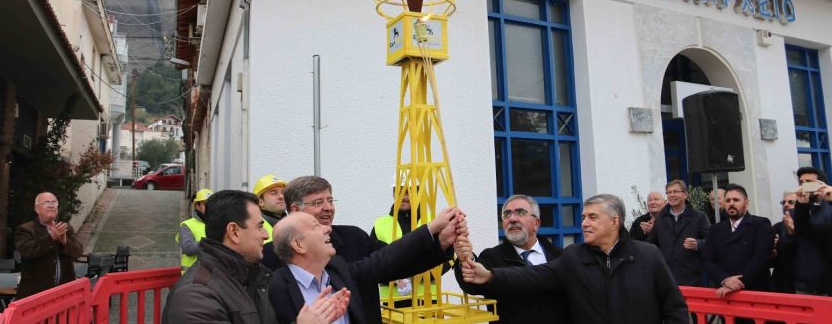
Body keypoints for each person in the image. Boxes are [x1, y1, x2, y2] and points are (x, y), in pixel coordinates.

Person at [459, 194, 688, 324]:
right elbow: (532, 275)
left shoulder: (648, 255)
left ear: (614, 221)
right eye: (583, 217)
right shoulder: (573, 257)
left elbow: (675, 308)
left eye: (592, 217)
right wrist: (490, 275)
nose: (584, 223)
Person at [163, 190, 349, 324]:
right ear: (234, 232)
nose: (266, 235)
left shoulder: (252, 278)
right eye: (259, 226)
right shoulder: (195, 297)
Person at [270, 208, 464, 324]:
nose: (327, 229)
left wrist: (437, 237)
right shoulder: (273, 289)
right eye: (316, 226)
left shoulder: (338, 271)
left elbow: (387, 258)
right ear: (299, 245)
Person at [455, 194, 567, 323]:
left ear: (536, 223)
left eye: (520, 213)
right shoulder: (492, 257)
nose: (512, 219)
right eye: (507, 214)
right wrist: (466, 258)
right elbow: (472, 286)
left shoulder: (559, 256)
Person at [262, 176, 385, 270]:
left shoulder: (355, 238)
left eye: (330, 201)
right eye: (318, 203)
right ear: (295, 209)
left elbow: (390, 261)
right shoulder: (270, 255)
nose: (328, 208)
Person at [702, 183, 774, 297]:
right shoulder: (715, 229)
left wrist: (738, 283)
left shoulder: (761, 224)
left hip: (755, 293)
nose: (731, 203)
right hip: (724, 294)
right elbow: (707, 260)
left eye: (736, 200)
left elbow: (761, 258)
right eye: (728, 200)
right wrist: (724, 280)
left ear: (746, 202)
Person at [14, 192, 84, 299]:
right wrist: (51, 237)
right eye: (47, 203)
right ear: (37, 209)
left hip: (64, 293)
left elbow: (77, 252)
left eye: (54, 203)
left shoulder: (64, 227)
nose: (51, 206)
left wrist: (65, 242)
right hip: (35, 294)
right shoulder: (26, 229)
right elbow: (28, 250)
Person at [647, 179, 710, 286]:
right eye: (669, 192)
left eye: (675, 191)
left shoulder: (699, 217)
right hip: (666, 277)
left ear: (685, 194)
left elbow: (711, 241)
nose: (672, 195)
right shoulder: (661, 219)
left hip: (692, 278)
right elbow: (652, 243)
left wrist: (698, 244)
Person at [793, 167, 832, 295]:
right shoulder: (799, 209)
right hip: (805, 281)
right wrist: (801, 204)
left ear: (821, 185)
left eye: (809, 182)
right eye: (801, 183)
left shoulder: (828, 207)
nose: (804, 186)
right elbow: (805, 232)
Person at [176, 188, 213, 274]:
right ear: (197, 206)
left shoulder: (218, 224)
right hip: (192, 277)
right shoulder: (187, 225)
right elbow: (189, 249)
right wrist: (211, 240)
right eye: (206, 204)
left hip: (212, 276)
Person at [771, 191, 797, 293]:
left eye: (791, 202)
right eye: (783, 202)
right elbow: (771, 261)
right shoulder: (777, 227)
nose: (786, 205)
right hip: (780, 281)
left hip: (800, 281)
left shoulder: (806, 227)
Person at [253, 174, 287, 243]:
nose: (281, 196)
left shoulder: (294, 222)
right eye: (274, 193)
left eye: (283, 192)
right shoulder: (253, 226)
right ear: (260, 202)